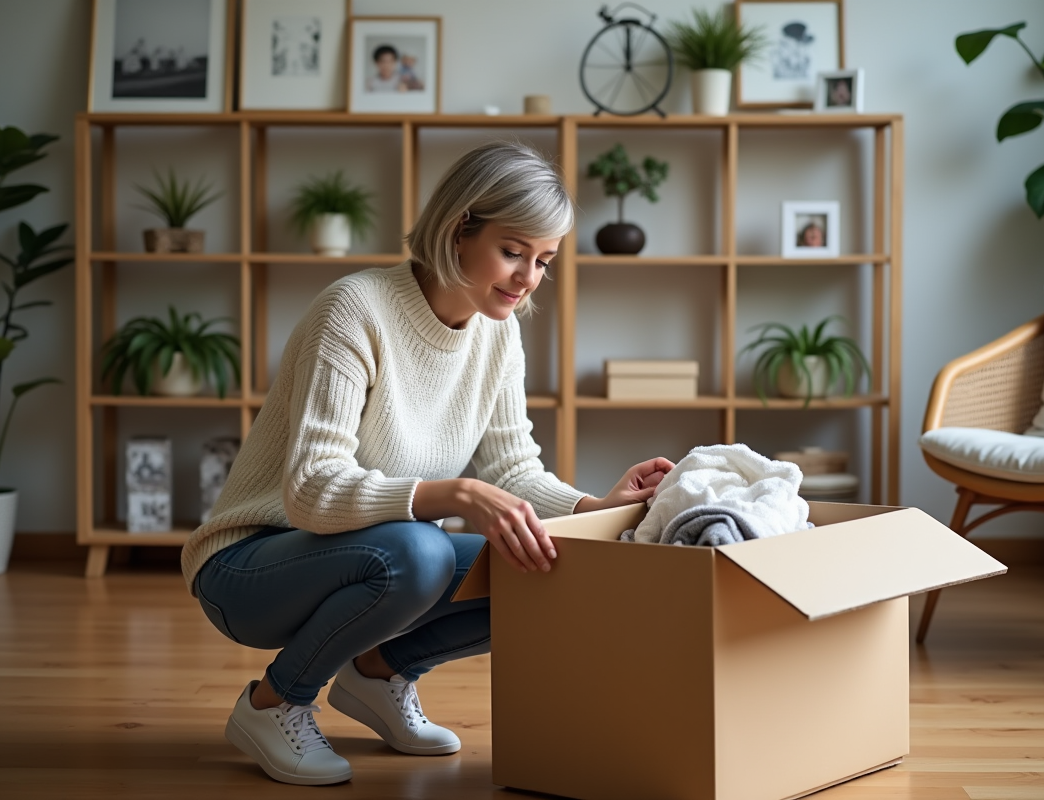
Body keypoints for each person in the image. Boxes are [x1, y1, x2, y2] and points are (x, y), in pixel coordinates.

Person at [182, 141, 675, 786]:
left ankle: (378, 674)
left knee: (551, 567)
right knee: (420, 551)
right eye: (513, 251)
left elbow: (512, 468)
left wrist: (594, 509)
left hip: (371, 556)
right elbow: (311, 489)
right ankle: (273, 704)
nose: (528, 277)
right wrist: (456, 495)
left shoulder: (498, 331)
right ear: (458, 229)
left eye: (543, 261)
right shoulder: (354, 311)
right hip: (247, 567)